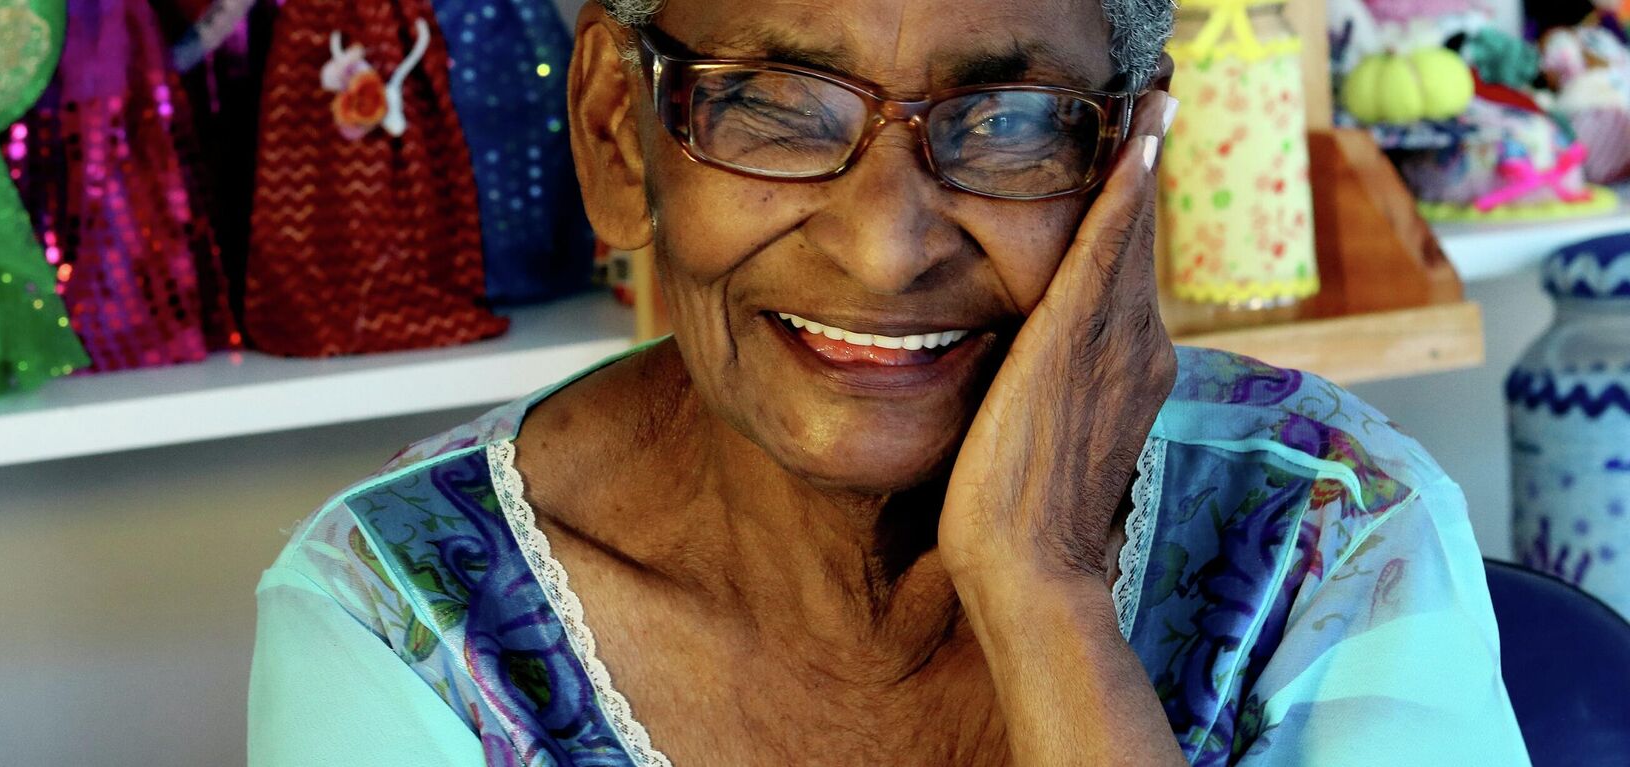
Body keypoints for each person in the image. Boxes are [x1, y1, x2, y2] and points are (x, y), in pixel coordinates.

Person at [248, 0, 1531, 763]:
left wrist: (1045, 595)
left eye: (1013, 116)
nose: (885, 241)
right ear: (615, 136)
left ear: (1132, 155)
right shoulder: (403, 616)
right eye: (771, 103)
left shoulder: (1330, 530)